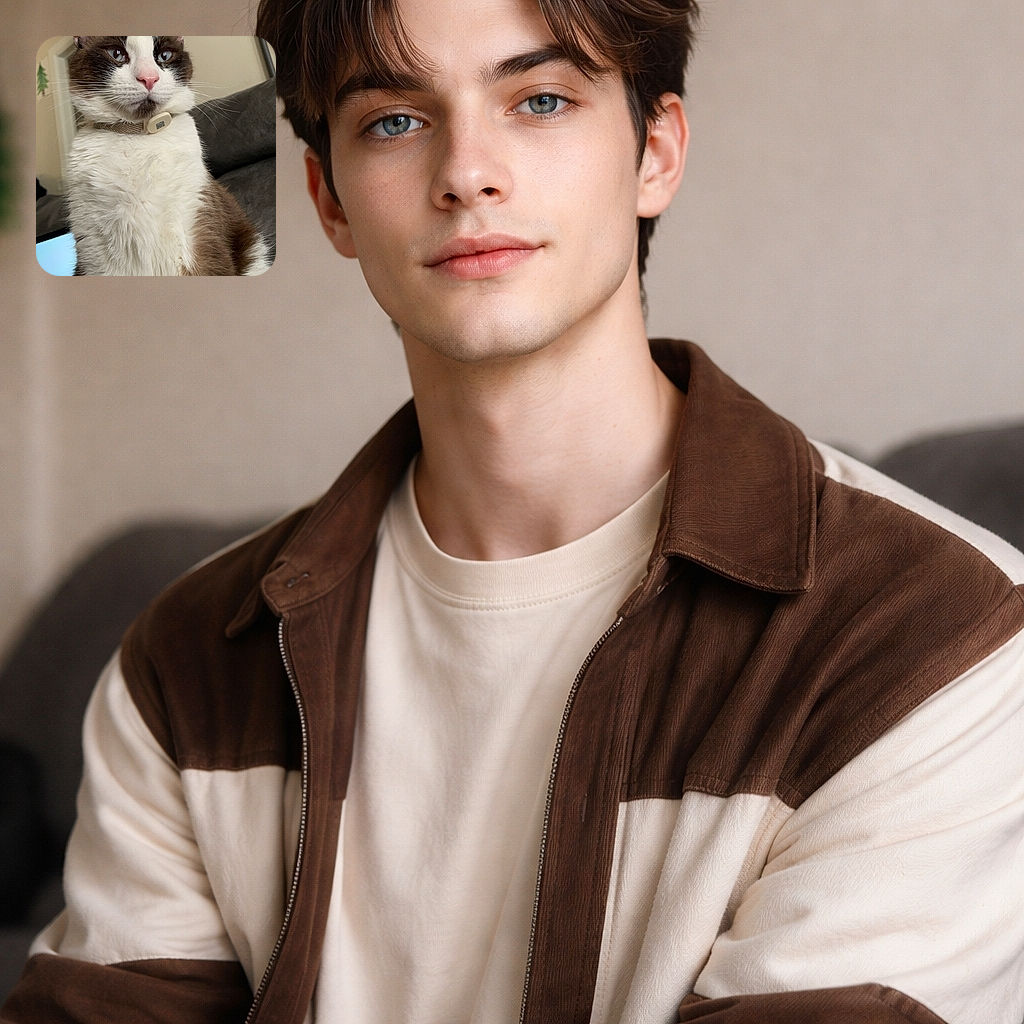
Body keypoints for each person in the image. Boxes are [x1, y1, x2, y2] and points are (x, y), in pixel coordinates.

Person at [4, 0, 1024, 1020]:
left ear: (655, 153)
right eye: (393, 121)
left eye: (538, 100)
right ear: (330, 202)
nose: (466, 173)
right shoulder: (182, 660)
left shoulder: (935, 637)